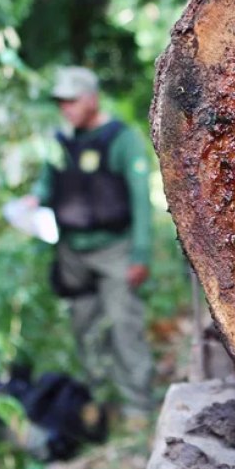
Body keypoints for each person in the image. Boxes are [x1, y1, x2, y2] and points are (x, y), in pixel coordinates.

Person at [24, 66, 157, 427]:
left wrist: (140, 253)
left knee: (123, 324)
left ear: (92, 98)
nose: (66, 108)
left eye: (72, 100)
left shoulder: (121, 138)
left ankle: (137, 407)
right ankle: (98, 401)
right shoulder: (61, 140)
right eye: (61, 102)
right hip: (71, 250)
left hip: (114, 247)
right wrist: (35, 201)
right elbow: (48, 182)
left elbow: (140, 199)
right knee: (85, 325)